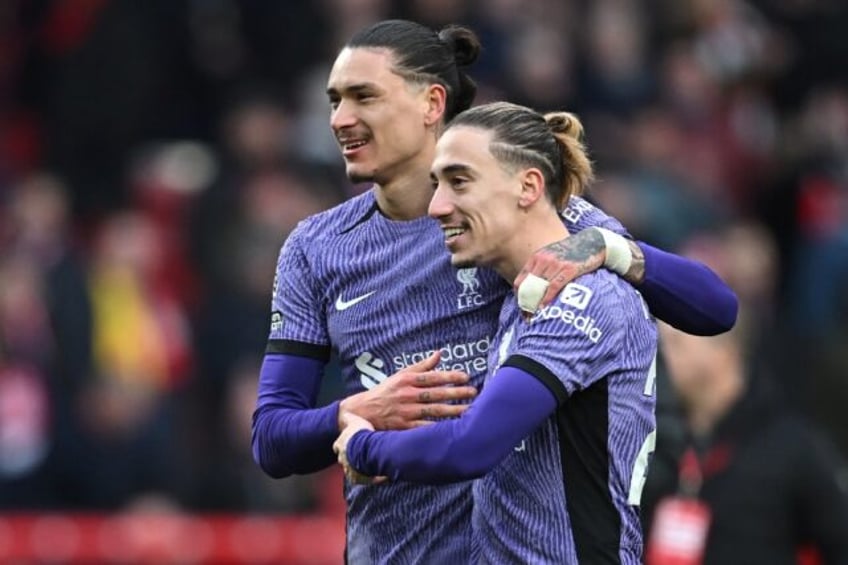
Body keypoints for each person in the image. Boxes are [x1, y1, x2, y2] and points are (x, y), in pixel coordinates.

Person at [252, 19, 736, 564]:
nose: (340, 119)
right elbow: (271, 437)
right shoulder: (315, 248)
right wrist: (354, 414)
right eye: (334, 100)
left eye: (363, 97)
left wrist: (611, 246)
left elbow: (714, 306)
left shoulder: (515, 216)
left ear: (431, 103)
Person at [333, 101, 657, 564]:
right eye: (436, 185)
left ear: (527, 187)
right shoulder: (516, 296)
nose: (437, 207)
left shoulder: (584, 299)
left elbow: (473, 445)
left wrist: (365, 446)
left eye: (459, 182)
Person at [642, 320, 848, 565]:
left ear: (724, 351)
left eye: (676, 343)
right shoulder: (655, 438)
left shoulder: (791, 448)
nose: (658, 357)